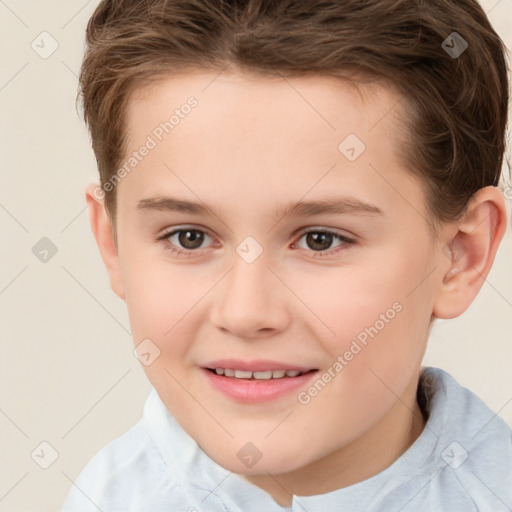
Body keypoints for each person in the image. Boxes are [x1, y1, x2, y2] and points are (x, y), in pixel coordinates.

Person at [62, 0, 512, 510]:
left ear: (460, 255)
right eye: (188, 237)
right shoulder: (106, 495)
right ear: (113, 243)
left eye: (321, 239)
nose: (246, 313)